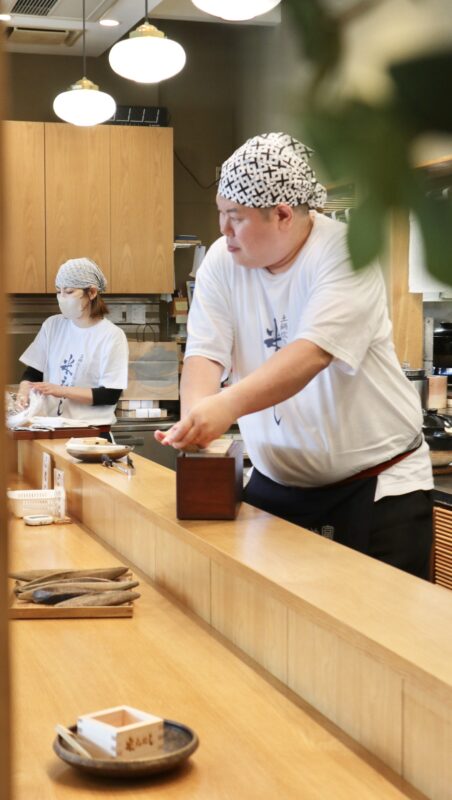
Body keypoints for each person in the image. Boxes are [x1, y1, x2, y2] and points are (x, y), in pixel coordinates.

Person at [155, 132, 433, 579]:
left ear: (283, 214)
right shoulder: (222, 264)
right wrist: (196, 421)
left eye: (235, 217)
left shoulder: (346, 253)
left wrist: (224, 406)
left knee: (379, 638)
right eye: (220, 214)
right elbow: (205, 354)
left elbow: (311, 354)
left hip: (378, 489)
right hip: (276, 485)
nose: (223, 231)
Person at [18, 257, 128, 426]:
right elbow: (34, 372)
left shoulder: (112, 336)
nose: (62, 297)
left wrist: (61, 391)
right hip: (53, 426)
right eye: (58, 291)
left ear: (91, 292)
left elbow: (109, 395)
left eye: (69, 292)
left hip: (91, 431)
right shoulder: (52, 326)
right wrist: (24, 389)